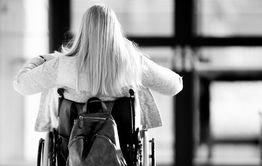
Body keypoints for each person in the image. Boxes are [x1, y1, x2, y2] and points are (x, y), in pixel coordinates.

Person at [14, 4, 182, 132]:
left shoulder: (62, 65)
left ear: (83, 31)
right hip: (122, 145)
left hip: (74, 144)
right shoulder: (132, 62)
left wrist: (40, 60)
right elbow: (174, 86)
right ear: (115, 31)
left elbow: (21, 85)